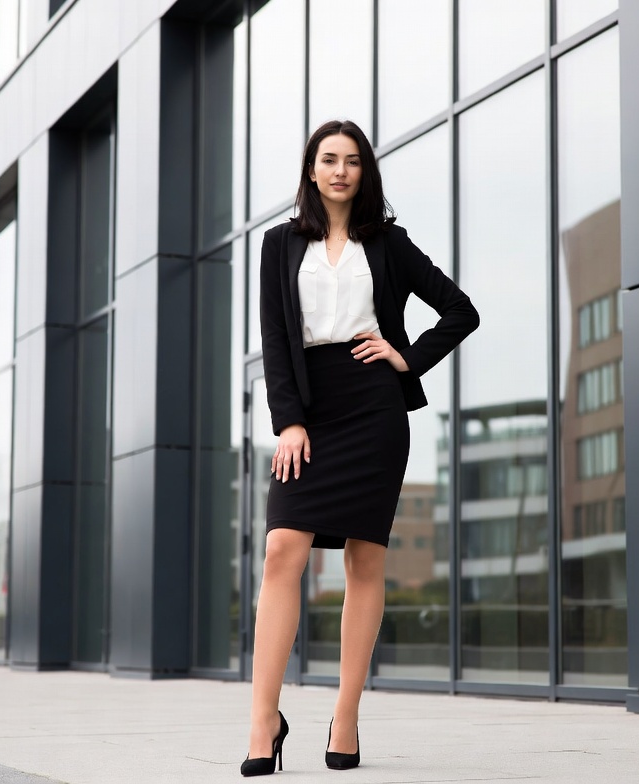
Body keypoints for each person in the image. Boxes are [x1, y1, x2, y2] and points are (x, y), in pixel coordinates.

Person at [242, 120, 478, 777]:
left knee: (365, 560)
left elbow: (459, 309)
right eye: (329, 159)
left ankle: (345, 716)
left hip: (373, 408)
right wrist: (288, 421)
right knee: (281, 548)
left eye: (352, 160)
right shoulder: (278, 245)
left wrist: (406, 360)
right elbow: (274, 340)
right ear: (312, 171)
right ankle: (264, 720)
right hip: (309, 408)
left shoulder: (390, 245)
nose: (341, 169)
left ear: (364, 172)